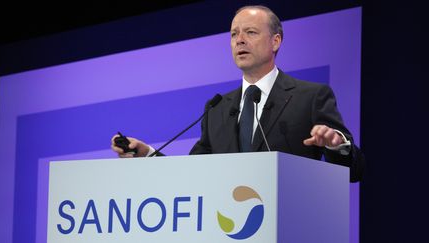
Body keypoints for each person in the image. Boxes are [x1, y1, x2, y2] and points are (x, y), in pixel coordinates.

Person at [111, 5, 364, 182]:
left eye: (250, 32)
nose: (239, 40)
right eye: (234, 34)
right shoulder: (218, 108)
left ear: (275, 41)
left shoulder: (310, 96)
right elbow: (189, 175)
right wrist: (146, 153)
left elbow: (354, 172)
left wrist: (336, 145)